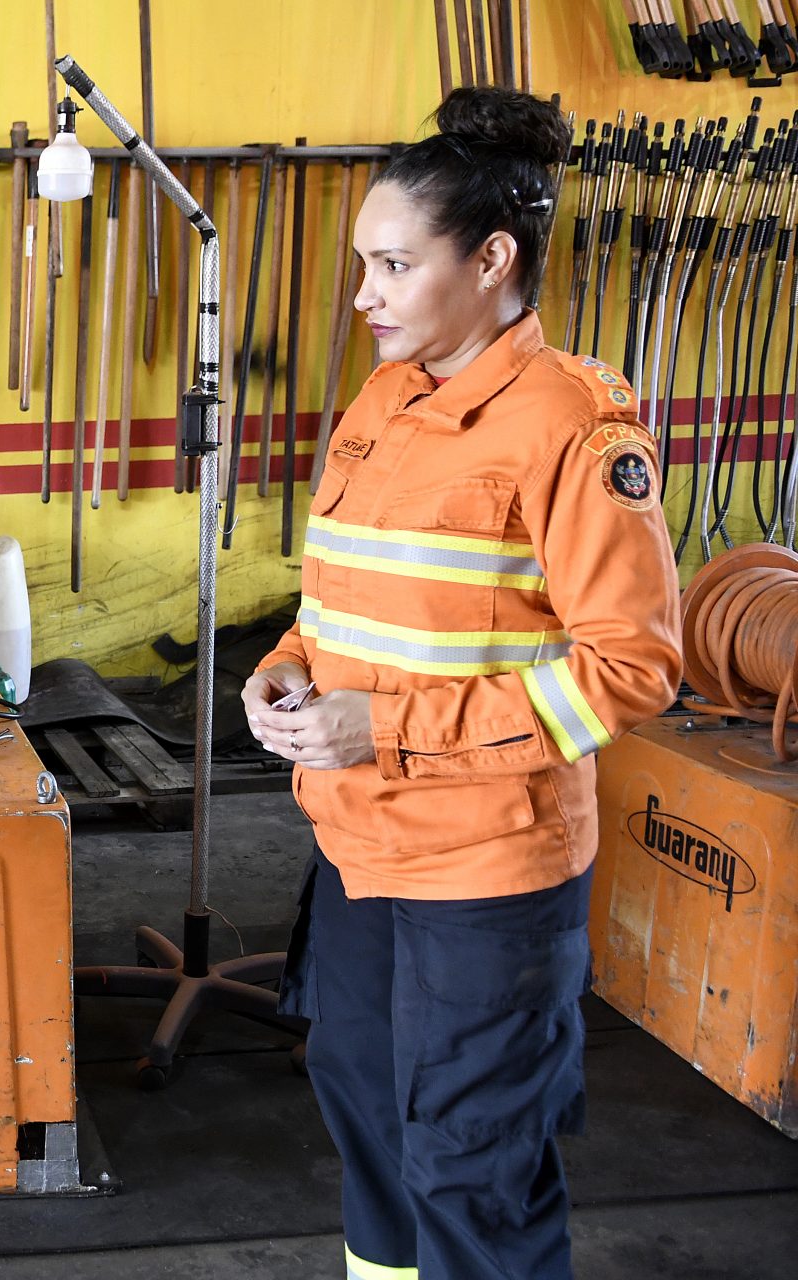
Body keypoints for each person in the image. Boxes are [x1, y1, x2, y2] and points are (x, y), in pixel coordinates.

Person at [242, 89, 682, 1280]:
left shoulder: (574, 427)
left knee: (470, 1156)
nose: (364, 296)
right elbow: (344, 598)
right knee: (370, 1121)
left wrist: (380, 724)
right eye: (363, 265)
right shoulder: (389, 395)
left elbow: (631, 668)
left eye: (392, 264)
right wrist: (286, 670)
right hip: (358, 844)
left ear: (492, 261)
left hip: (487, 866)